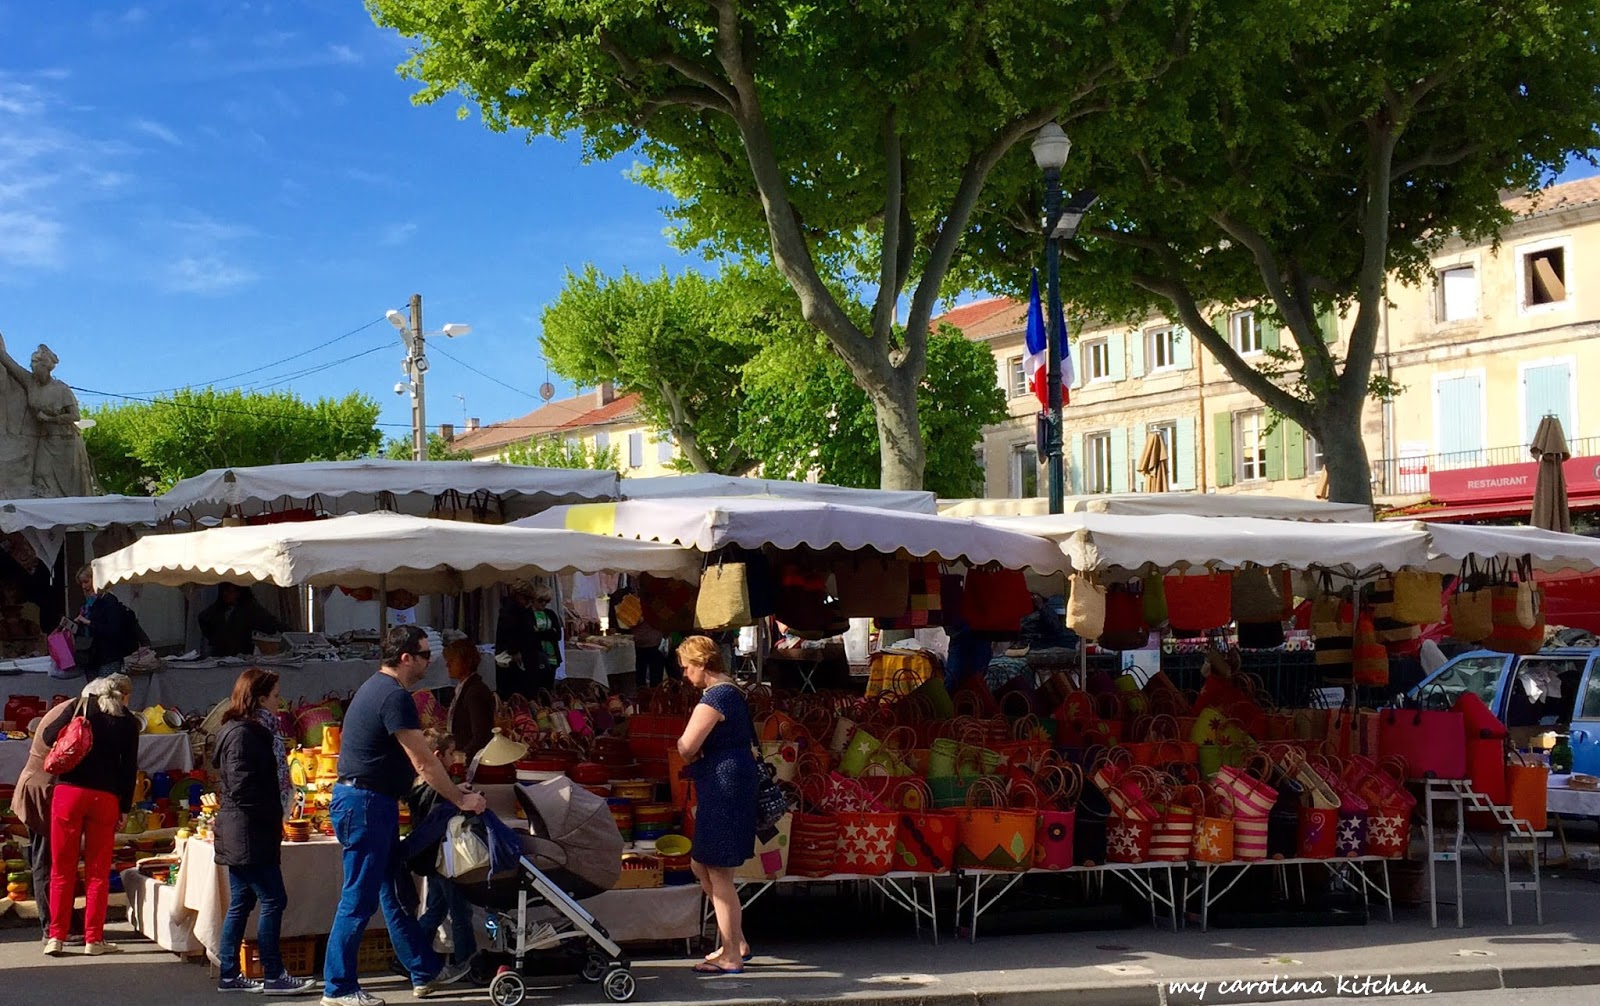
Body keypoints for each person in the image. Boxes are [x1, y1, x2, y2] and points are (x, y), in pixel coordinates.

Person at [322, 625, 486, 1006]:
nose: (431, 662)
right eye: (426, 655)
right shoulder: (395, 696)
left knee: (394, 892)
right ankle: (338, 987)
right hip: (365, 804)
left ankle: (423, 970)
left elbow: (410, 762)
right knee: (358, 898)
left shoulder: (377, 689)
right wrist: (459, 801)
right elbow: (424, 760)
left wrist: (451, 790)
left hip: (367, 801)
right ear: (406, 657)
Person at [213, 667, 316, 995]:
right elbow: (244, 786)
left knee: (242, 901)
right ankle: (273, 973)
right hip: (249, 829)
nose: (279, 702)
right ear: (259, 698)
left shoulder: (245, 731)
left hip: (242, 828)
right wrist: (273, 814)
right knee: (273, 898)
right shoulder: (246, 734)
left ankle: (230, 973)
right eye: (274, 696)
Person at [675, 636, 758, 975]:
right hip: (730, 781)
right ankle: (735, 941)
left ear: (702, 665)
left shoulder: (715, 697)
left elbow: (686, 745)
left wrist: (685, 745)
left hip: (724, 785)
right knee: (702, 865)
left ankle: (731, 954)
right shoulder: (732, 691)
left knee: (717, 870)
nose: (684, 674)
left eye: (686, 667)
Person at [41, 673, 140, 956]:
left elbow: (49, 737)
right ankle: (93, 939)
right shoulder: (129, 722)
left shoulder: (81, 707)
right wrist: (124, 807)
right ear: (125, 695)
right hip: (105, 798)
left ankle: (56, 936)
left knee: (62, 869)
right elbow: (128, 768)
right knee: (97, 872)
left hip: (68, 794)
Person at [400, 730, 477, 971]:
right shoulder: (437, 788)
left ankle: (411, 957)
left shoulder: (418, 786)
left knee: (436, 908)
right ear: (436, 755)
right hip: (444, 859)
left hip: (432, 859)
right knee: (460, 911)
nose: (454, 758)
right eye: (450, 753)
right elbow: (439, 819)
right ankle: (467, 961)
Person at [12, 696, 75, 943]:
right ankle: (52, 925)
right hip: (42, 792)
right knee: (45, 860)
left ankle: (61, 921)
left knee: (52, 858)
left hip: (43, 789)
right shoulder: (72, 713)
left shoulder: (70, 709)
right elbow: (50, 738)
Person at [68, 565, 148, 680]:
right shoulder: (88, 604)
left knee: (106, 693)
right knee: (93, 694)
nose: (84, 587)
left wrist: (88, 622)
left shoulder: (109, 602)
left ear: (96, 580)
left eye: (86, 582)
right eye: (81, 583)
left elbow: (113, 630)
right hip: (90, 657)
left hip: (108, 657)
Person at [493, 581, 562, 701]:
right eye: (540, 600)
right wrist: (514, 650)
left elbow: (555, 634)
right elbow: (511, 633)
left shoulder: (528, 611)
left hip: (534, 657)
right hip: (518, 660)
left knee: (535, 691)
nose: (529, 602)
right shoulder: (511, 612)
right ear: (519, 596)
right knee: (517, 694)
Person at [199, 583, 285, 658]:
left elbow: (271, 623)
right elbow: (204, 618)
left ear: (239, 593)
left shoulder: (249, 608)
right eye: (224, 591)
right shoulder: (219, 607)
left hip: (242, 654)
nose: (226, 594)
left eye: (230, 591)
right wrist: (214, 639)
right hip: (218, 654)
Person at [443, 638, 494, 763]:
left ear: (466, 663)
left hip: (470, 759)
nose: (447, 665)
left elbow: (480, 735)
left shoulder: (475, 692)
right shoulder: (463, 688)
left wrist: (461, 758)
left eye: (452, 661)